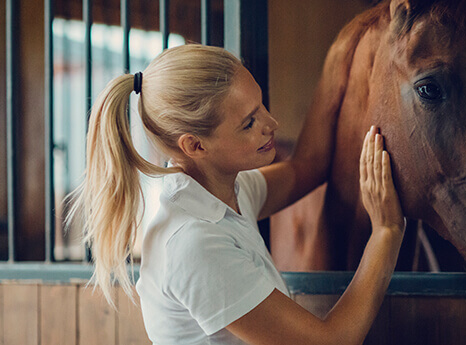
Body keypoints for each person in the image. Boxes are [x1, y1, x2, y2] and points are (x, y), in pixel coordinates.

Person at [69, 44, 405, 345]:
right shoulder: (194, 241)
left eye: (261, 106)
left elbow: (307, 166)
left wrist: (342, 55)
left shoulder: (226, 191)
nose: (271, 123)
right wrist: (386, 233)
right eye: (248, 123)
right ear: (195, 145)